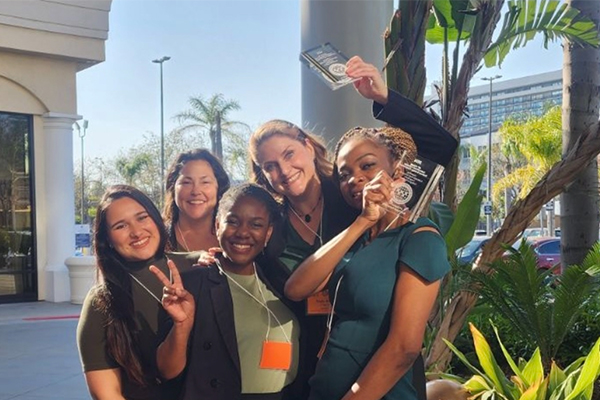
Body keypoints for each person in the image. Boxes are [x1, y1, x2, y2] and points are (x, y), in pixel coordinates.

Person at [247, 57, 457, 397]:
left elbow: (441, 148)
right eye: (270, 166)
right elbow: (278, 280)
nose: (284, 170)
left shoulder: (353, 194)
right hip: (308, 359)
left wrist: (383, 97)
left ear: (306, 144)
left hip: (379, 368)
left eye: (288, 153)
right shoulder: (272, 222)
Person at [284, 126, 451, 400]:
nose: (354, 179)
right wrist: (363, 222)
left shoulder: (419, 237)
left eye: (367, 165)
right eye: (344, 174)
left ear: (398, 171)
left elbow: (404, 348)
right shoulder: (358, 237)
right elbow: (297, 288)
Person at [152, 183, 303, 400]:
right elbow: (166, 371)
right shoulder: (190, 286)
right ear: (217, 225)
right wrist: (181, 326)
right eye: (232, 221)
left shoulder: (281, 280)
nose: (243, 232)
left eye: (256, 224)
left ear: (268, 232)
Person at [76, 185, 198, 400]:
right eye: (120, 226)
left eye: (142, 218)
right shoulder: (102, 302)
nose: (136, 232)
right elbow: (107, 394)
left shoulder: (200, 266)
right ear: (107, 241)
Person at [163, 148, 230, 252]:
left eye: (205, 182)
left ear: (219, 187)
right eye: (186, 182)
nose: (196, 191)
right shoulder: (158, 239)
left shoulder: (234, 236)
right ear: (172, 188)